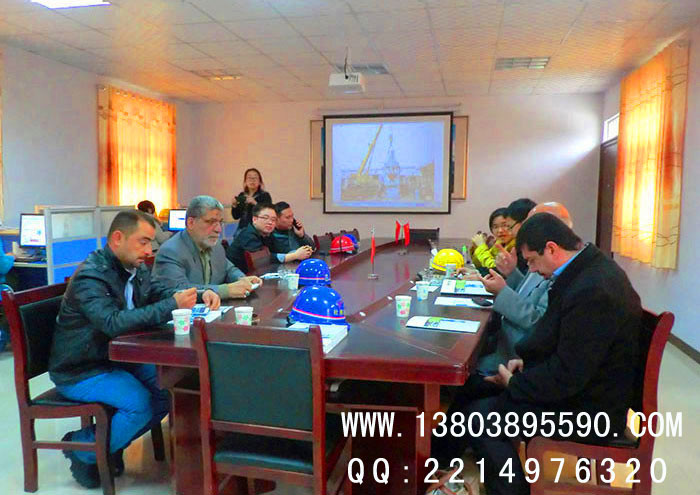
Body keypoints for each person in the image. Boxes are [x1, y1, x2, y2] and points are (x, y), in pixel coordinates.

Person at [440, 213, 642, 495]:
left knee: (480, 419)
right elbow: (568, 347)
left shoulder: (594, 289)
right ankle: (437, 467)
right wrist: (526, 364)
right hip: (582, 390)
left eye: (532, 261)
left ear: (551, 248)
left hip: (592, 411)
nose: (532, 271)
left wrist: (516, 383)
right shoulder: (585, 270)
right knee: (475, 391)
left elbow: (569, 375)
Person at [48, 210, 220, 488]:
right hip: (81, 368)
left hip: (116, 359)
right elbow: (112, 323)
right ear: (118, 238)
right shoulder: (91, 276)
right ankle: (82, 449)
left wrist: (197, 294)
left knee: (165, 392)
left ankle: (107, 445)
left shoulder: (134, 268)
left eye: (151, 242)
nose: (149, 250)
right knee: (139, 405)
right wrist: (172, 305)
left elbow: (158, 292)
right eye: (143, 242)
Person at [153, 195, 260, 299]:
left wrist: (242, 279)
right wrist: (225, 290)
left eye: (220, 222)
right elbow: (179, 290)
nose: (218, 229)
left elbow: (228, 269)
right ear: (191, 223)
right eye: (211, 222)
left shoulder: (216, 246)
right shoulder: (170, 251)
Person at [226, 203, 313, 273]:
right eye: (265, 218)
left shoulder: (267, 234)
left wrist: (303, 246)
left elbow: (279, 251)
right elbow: (262, 259)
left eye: (273, 219)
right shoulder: (248, 234)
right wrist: (295, 255)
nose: (270, 222)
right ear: (254, 219)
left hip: (257, 274)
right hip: (238, 277)